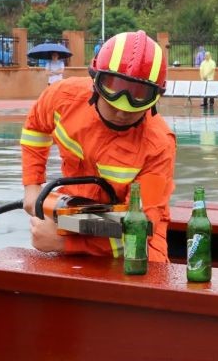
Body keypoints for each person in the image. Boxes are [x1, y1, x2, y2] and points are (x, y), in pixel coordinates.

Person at [20, 30, 176, 263]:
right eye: (112, 102)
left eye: (136, 103)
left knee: (150, 264)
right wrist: (32, 188)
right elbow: (35, 127)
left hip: (135, 247)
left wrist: (66, 244)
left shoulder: (159, 146)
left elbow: (143, 227)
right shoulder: (63, 98)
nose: (122, 112)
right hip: (74, 218)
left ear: (154, 100)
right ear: (96, 83)